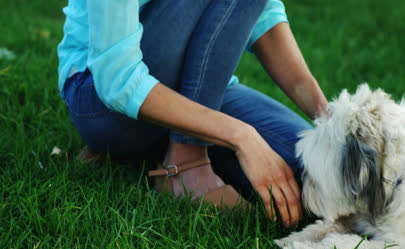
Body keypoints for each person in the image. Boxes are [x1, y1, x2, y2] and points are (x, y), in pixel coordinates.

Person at [57, 0, 328, 228]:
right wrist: (242, 136)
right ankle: (187, 164)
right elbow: (116, 79)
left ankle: (149, 150)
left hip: (198, 88)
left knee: (318, 175)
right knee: (291, 166)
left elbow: (259, 16)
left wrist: (328, 118)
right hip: (101, 100)